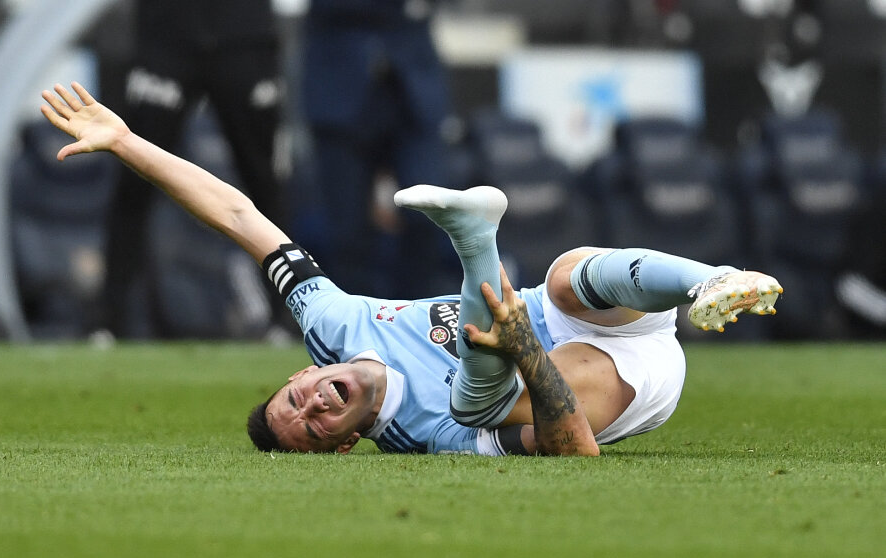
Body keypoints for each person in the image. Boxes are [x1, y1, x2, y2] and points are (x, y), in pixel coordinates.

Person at [41, 83, 783, 456]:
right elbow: (573, 450)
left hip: (581, 312)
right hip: (620, 383)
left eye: (292, 398)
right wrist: (524, 350)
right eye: (312, 426)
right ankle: (475, 247)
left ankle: (706, 280)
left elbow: (240, 217)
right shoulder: (425, 436)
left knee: (561, 275)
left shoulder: (330, 326)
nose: (312, 404)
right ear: (341, 444)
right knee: (476, 407)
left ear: (295, 375)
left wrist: (128, 141)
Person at [99, 0, 286, 337]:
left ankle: (285, 317)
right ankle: (107, 321)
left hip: (244, 34)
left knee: (263, 182)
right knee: (132, 175)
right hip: (168, 34)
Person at [299, 0, 456, 299]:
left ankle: (419, 320)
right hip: (339, 84)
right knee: (347, 232)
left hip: (413, 85)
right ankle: (356, 330)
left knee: (429, 216)